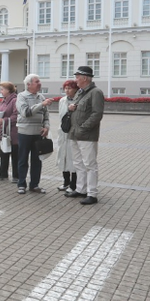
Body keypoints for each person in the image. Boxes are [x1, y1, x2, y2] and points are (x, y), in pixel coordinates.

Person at [66, 66, 106, 206]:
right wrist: (70, 108)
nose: (75, 79)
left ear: (85, 78)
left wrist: (83, 128)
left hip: (87, 135)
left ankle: (92, 193)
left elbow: (97, 114)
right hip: (74, 133)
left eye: (77, 77)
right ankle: (80, 189)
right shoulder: (80, 93)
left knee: (90, 164)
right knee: (78, 163)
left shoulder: (95, 92)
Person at [16, 74, 55, 195]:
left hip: (38, 133)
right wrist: (41, 104)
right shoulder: (21, 96)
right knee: (23, 159)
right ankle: (21, 184)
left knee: (37, 160)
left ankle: (34, 185)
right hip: (25, 133)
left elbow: (46, 115)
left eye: (39, 81)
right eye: (37, 82)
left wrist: (47, 126)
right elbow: (26, 113)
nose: (39, 83)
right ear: (29, 84)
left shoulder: (41, 96)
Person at [57, 80, 79, 194]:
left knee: (73, 159)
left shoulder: (78, 100)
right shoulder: (62, 100)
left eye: (69, 88)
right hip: (63, 132)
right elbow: (61, 116)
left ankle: (73, 184)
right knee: (63, 158)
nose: (67, 90)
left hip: (73, 132)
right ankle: (66, 182)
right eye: (65, 88)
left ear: (75, 89)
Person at [0, 81, 19, 182]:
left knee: (15, 154)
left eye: (2, 89)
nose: (1, 91)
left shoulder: (15, 100)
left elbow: (16, 115)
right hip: (3, 132)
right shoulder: (3, 101)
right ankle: (3, 174)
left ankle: (16, 176)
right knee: (4, 152)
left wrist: (4, 120)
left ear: (8, 90)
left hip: (13, 132)